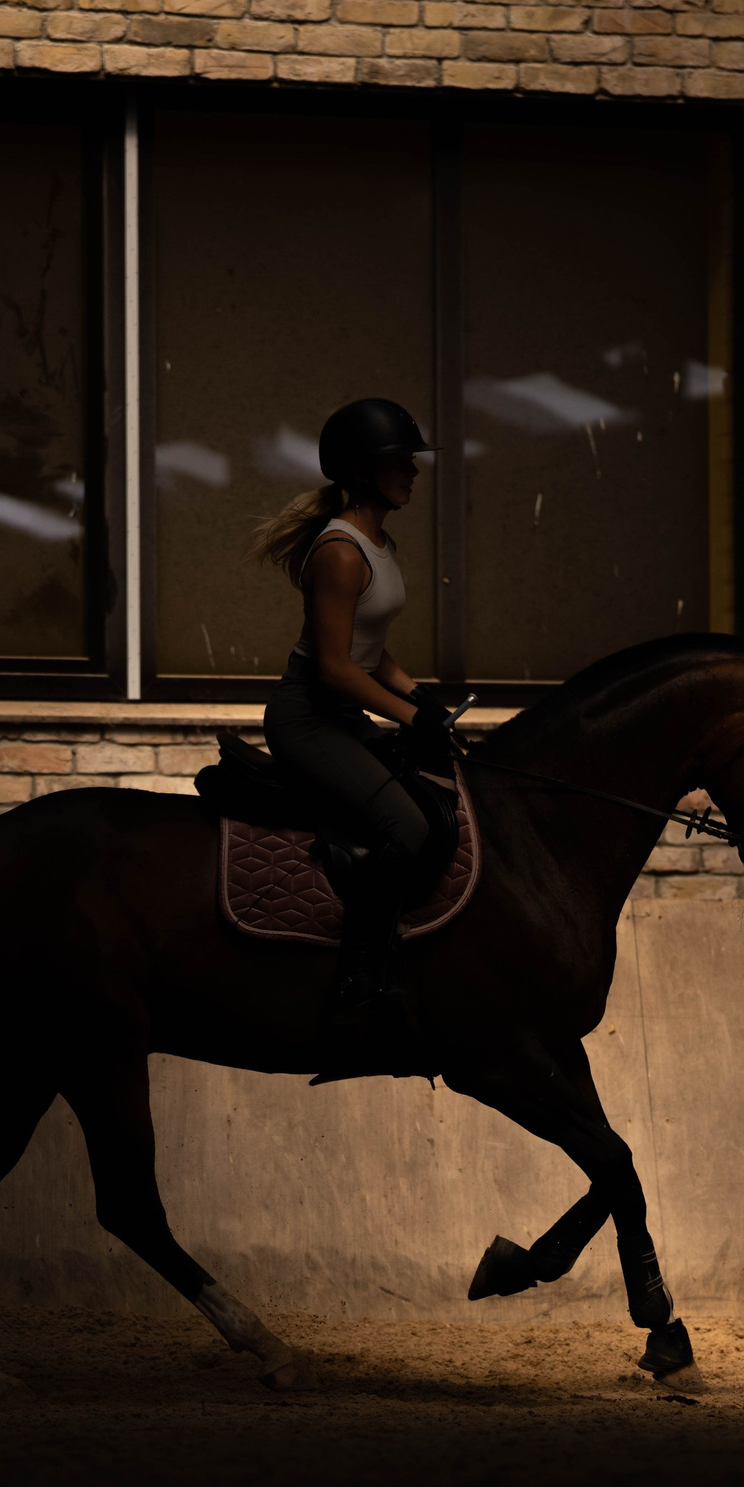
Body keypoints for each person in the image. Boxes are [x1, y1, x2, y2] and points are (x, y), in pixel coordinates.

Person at [249, 398, 455, 1054]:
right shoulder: (339, 552)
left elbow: (371, 648)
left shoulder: (379, 543)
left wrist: (419, 694)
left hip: (339, 714)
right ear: (364, 472)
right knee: (409, 825)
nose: (413, 473)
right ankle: (360, 973)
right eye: (401, 462)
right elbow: (336, 669)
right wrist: (410, 715)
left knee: (436, 790)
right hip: (308, 720)